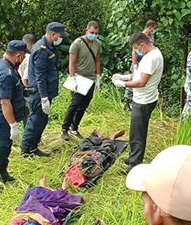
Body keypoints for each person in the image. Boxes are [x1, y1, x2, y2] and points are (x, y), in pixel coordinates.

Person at [112, 32, 163, 170]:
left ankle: (134, 166)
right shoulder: (152, 54)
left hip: (143, 101)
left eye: (136, 48)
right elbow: (139, 74)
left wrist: (123, 85)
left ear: (142, 44)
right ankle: (132, 159)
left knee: (138, 135)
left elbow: (141, 82)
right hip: (144, 99)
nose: (136, 51)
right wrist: (124, 77)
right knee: (135, 132)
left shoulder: (151, 58)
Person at [0, 40, 28, 190]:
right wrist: (13, 125)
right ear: (17, 55)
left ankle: (3, 173)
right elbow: (5, 102)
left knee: (6, 148)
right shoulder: (6, 74)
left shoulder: (1, 63)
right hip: (2, 118)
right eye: (23, 56)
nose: (23, 60)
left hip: (6, 116)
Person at [21, 22, 68, 159]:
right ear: (52, 34)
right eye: (59, 35)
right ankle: (25, 149)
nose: (60, 38)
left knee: (42, 121)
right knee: (34, 121)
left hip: (46, 91)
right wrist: (43, 97)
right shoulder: (41, 49)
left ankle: (34, 147)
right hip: (38, 93)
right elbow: (40, 76)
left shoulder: (49, 46)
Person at [61, 21, 103, 141]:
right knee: (75, 104)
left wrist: (98, 76)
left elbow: (97, 61)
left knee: (84, 105)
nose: (93, 35)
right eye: (91, 32)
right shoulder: (77, 43)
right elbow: (72, 62)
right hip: (79, 77)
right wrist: (72, 77)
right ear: (86, 30)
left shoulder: (97, 44)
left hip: (90, 78)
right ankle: (65, 128)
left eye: (95, 33)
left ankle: (74, 127)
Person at [124, 19, 157, 110]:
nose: (154, 30)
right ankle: (127, 102)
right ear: (150, 27)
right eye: (154, 28)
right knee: (133, 81)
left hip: (147, 63)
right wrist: (135, 66)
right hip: (138, 63)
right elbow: (134, 52)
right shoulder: (140, 38)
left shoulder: (151, 37)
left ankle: (137, 101)